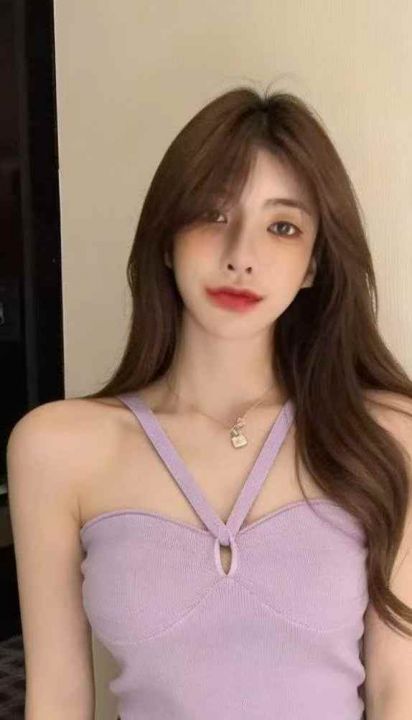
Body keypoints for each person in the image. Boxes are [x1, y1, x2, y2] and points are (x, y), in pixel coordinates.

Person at [6, 84, 412, 719]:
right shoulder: (58, 449)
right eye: (213, 215)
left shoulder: (386, 434)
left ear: (313, 265)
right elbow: (56, 698)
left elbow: (398, 693)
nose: (241, 257)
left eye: (282, 227)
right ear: (166, 239)